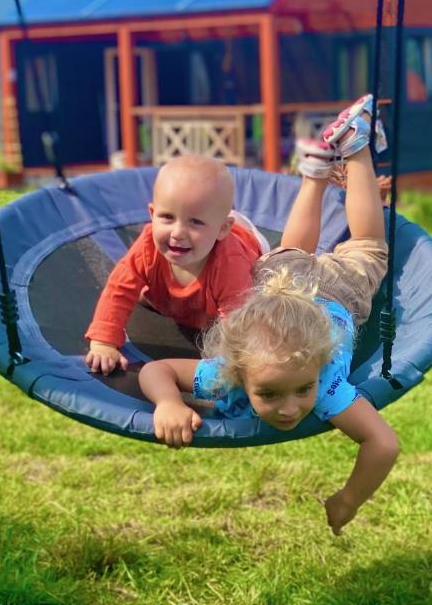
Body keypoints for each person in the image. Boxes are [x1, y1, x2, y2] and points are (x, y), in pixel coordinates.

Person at [138, 95, 399, 535]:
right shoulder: (233, 371)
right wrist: (166, 402)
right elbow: (158, 372)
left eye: (301, 389)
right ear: (240, 372)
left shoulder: (326, 387)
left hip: (332, 293)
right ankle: (328, 162)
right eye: (272, 393)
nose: (292, 407)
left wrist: (349, 500)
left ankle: (346, 155)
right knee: (300, 252)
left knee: (362, 245)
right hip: (279, 286)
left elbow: (385, 445)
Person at [85, 155, 265, 374]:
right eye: (167, 217)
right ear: (152, 215)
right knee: (139, 287)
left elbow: (238, 325)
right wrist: (104, 342)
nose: (177, 233)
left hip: (245, 245)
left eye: (195, 222)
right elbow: (119, 288)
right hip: (204, 253)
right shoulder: (148, 245)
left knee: (265, 292)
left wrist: (224, 364)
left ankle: (234, 227)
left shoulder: (230, 263)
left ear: (222, 229)